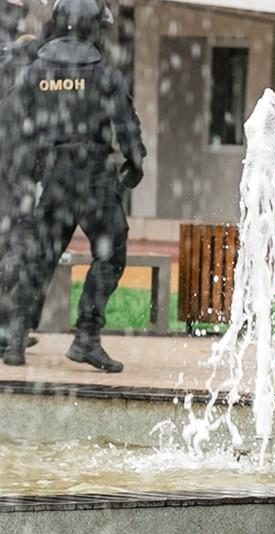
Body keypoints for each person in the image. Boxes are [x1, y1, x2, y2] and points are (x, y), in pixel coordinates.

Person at [1, 0, 145, 371]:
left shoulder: (36, 71)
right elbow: (126, 123)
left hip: (55, 178)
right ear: (94, 26)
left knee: (40, 257)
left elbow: (12, 123)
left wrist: (25, 169)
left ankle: (15, 339)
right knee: (110, 252)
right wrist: (135, 161)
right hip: (93, 177)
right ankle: (86, 337)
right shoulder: (104, 72)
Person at [0, 0, 42, 357]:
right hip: (15, 177)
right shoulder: (24, 76)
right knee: (19, 251)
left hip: (11, 175)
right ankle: (10, 335)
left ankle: (9, 332)